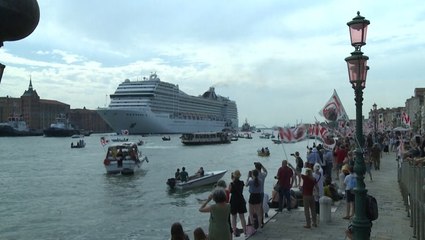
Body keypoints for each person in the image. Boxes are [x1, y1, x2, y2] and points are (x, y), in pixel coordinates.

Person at [228, 170, 247, 237]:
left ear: (233, 176)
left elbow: (229, 192)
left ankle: (235, 232)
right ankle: (245, 232)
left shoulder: (231, 184)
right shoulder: (242, 183)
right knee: (242, 217)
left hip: (234, 201)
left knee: (234, 217)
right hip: (241, 200)